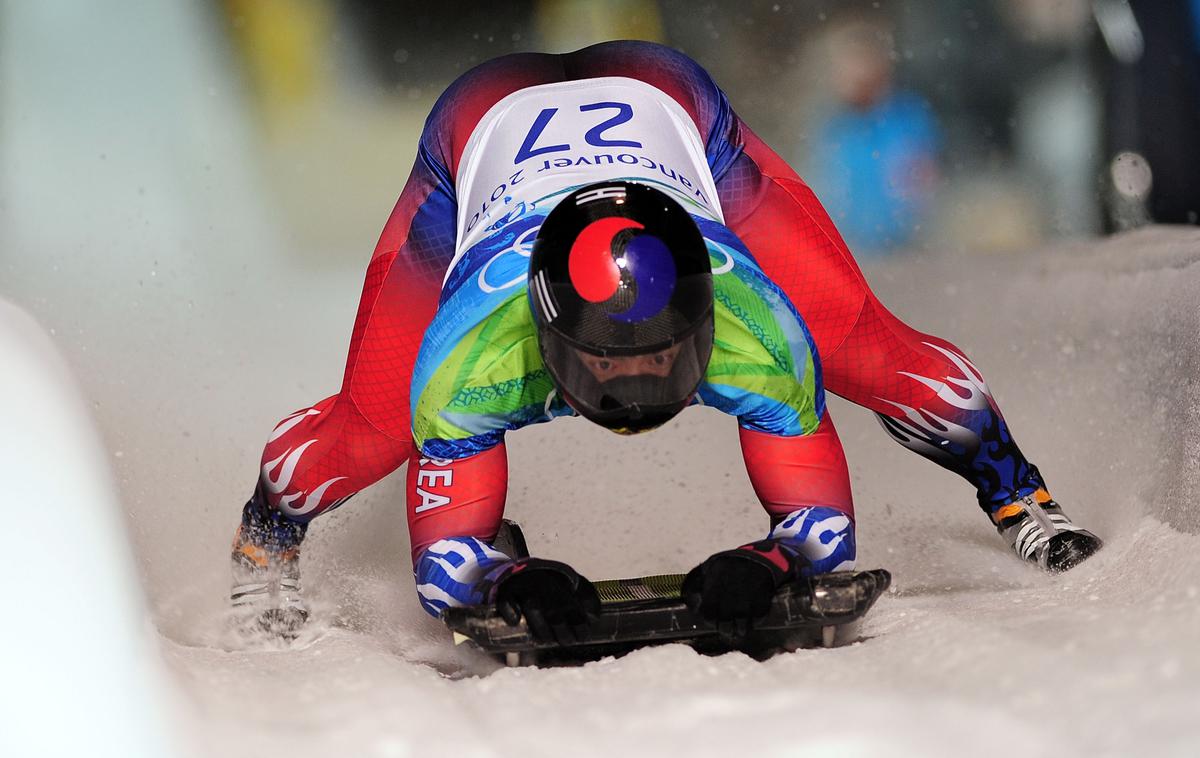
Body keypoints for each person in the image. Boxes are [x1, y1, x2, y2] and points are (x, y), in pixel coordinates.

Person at [230, 41, 1101, 640]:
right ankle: (266, 536)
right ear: (547, 336)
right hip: (490, 126)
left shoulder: (756, 320)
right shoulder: (467, 354)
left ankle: (1017, 493)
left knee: (861, 351)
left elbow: (823, 533)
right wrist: (507, 578)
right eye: (610, 360)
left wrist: (769, 561)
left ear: (703, 312)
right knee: (375, 428)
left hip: (664, 109)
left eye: (661, 353)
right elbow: (444, 575)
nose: (637, 385)